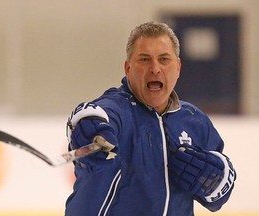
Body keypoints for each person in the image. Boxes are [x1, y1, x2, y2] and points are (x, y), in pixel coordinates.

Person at [65, 21, 236, 216]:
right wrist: (89, 127)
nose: (155, 68)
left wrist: (215, 178)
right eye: (144, 59)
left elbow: (220, 193)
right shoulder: (118, 111)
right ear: (128, 68)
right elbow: (92, 114)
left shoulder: (194, 120)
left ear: (178, 67)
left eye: (164, 59)